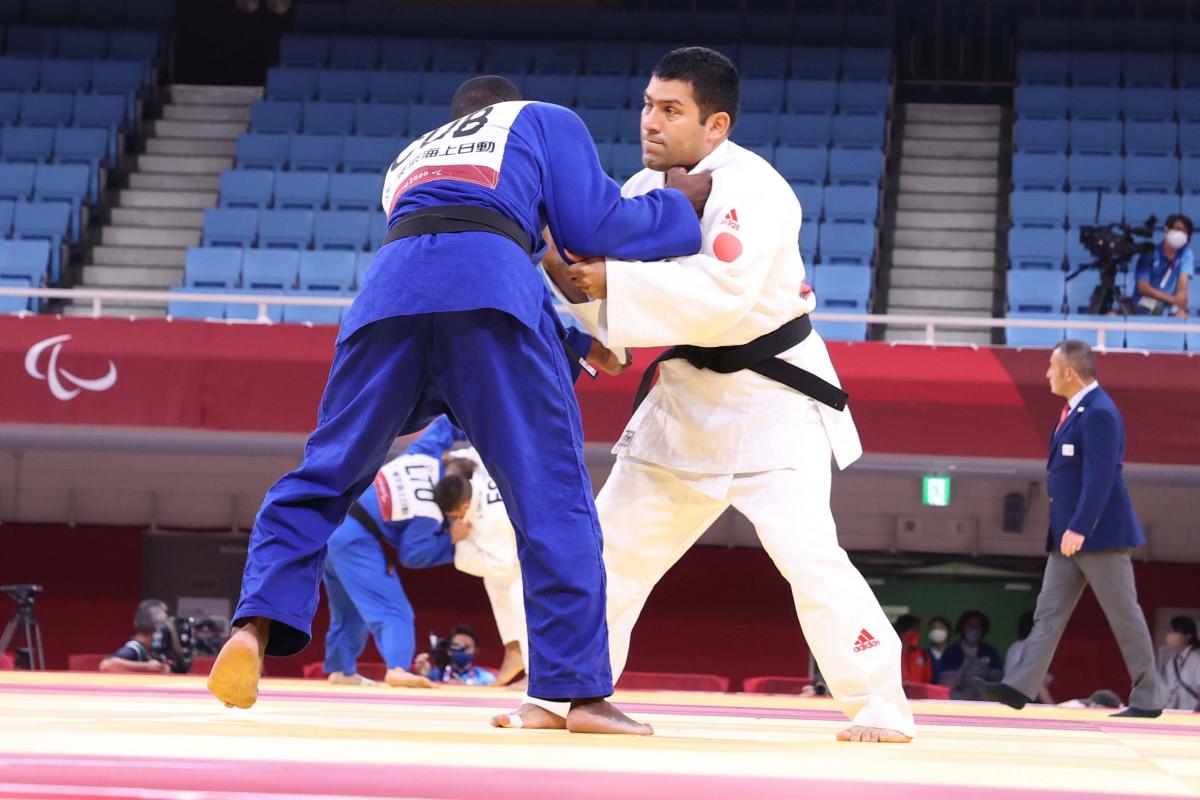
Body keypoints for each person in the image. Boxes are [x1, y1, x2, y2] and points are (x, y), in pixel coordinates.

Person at [206, 75, 712, 737]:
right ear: (509, 102)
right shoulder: (543, 116)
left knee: (324, 474)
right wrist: (678, 207)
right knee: (550, 495)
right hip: (489, 295)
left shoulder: (410, 158)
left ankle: (252, 623)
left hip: (386, 301)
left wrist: (571, 341)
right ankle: (580, 694)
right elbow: (593, 228)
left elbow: (466, 237)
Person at [500, 47, 915, 743]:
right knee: (607, 552)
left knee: (808, 555)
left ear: (716, 123)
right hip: (686, 400)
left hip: (773, 402)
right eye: (647, 105)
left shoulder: (756, 190)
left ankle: (881, 706)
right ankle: (557, 690)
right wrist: (594, 319)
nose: (651, 122)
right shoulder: (637, 190)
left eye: (671, 110)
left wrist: (612, 288)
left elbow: (721, 299)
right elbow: (613, 305)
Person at [975, 341, 1164, 718]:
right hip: (1069, 536)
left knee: (1124, 614)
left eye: (1051, 366)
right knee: (1048, 613)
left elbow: (1101, 477)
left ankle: (1148, 699)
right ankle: (1019, 687)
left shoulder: (1099, 413)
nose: (1046, 373)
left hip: (1098, 535)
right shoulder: (1077, 411)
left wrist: (1080, 526)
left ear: (1071, 373)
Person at [319, 417, 471, 689]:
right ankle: (398, 668)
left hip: (333, 527)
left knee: (349, 610)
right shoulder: (431, 511)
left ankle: (341, 669)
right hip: (357, 540)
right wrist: (453, 542)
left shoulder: (425, 454)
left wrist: (479, 426)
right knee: (393, 611)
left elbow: (445, 425)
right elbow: (413, 555)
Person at [1132, 214, 1192, 317]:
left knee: (1183, 316)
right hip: (1143, 301)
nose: (1180, 233)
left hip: (1168, 303)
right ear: (1166, 230)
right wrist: (1172, 299)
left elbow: (1183, 282)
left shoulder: (1186, 253)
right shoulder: (1150, 253)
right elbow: (1143, 288)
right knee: (1157, 310)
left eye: (1184, 231)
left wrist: (1180, 304)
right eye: (1177, 229)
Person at [937, 610, 1003, 700]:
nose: (974, 629)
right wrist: (963, 669)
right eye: (970, 626)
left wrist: (985, 671)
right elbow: (945, 684)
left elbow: (999, 682)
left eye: (977, 626)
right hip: (958, 702)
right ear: (963, 627)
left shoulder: (990, 652)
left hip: (983, 702)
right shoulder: (951, 652)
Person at [99, 599, 171, 674]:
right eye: (163, 626)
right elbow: (106, 665)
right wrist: (147, 667)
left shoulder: (149, 651)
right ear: (155, 627)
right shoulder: (133, 650)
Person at [414, 625, 497, 686]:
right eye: (456, 646)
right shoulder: (434, 675)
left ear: (476, 650)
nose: (461, 650)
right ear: (449, 650)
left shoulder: (486, 678)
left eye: (466, 647)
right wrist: (422, 676)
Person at [1004, 610, 1054, 704]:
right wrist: (1054, 710)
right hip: (1022, 701)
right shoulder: (1030, 648)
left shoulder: (1016, 646)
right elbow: (1036, 683)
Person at [1160, 616, 1200, 711]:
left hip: (1193, 716)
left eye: (1175, 632)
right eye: (1169, 631)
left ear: (1188, 636)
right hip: (1173, 714)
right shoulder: (1172, 662)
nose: (1170, 635)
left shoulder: (1197, 658)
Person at [894, 614, 932, 685]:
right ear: (902, 632)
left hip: (918, 694)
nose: (915, 633)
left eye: (917, 630)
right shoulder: (891, 654)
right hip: (897, 694)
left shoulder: (924, 655)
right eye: (912, 630)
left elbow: (927, 681)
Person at [927, 616, 951, 682]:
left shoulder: (955, 654)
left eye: (941, 628)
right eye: (934, 628)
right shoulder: (923, 655)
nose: (937, 631)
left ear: (948, 632)